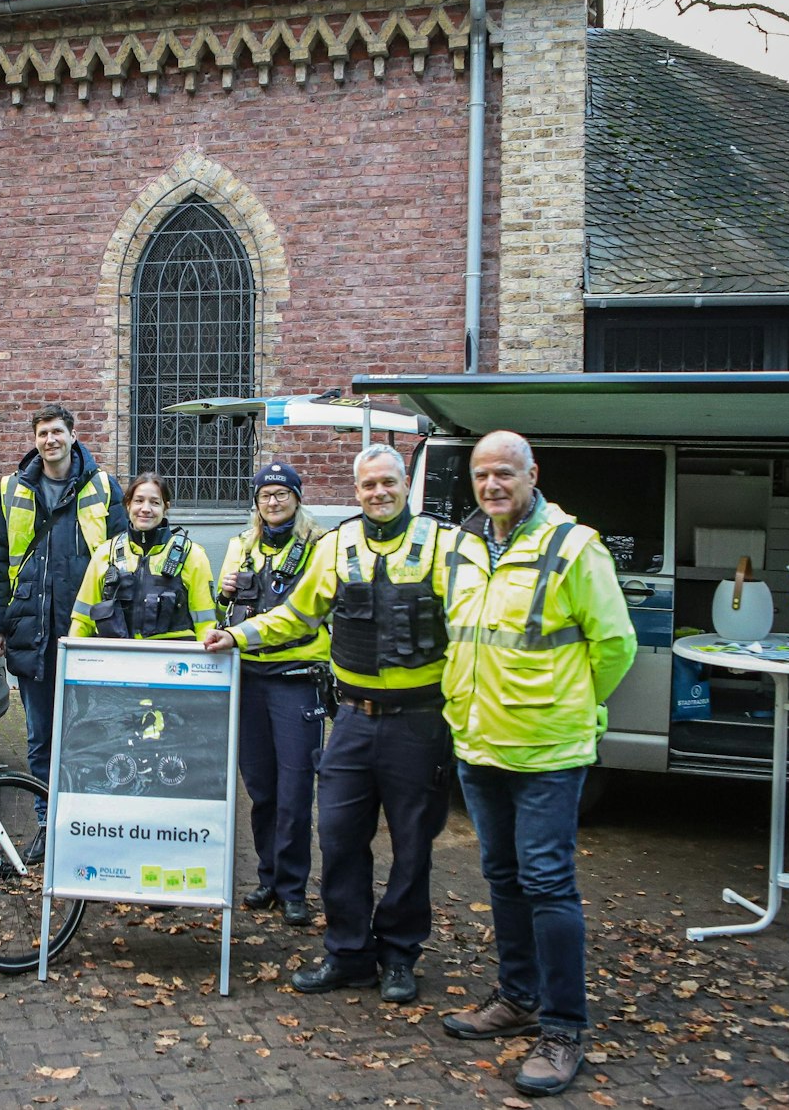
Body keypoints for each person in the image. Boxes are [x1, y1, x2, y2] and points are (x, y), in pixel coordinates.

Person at [202, 444, 455, 1005]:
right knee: (339, 837)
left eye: (388, 482)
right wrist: (237, 635)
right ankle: (348, 952)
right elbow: (296, 615)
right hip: (353, 719)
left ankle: (399, 955)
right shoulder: (338, 545)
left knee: (413, 844)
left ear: (405, 483)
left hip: (419, 721)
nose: (378, 492)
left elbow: (468, 631)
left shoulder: (443, 544)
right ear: (356, 490)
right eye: (368, 484)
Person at [436, 431, 636, 1098]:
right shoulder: (463, 546)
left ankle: (563, 1029)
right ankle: (517, 998)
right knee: (502, 875)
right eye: (481, 474)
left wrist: (579, 703)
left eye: (505, 473)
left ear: (532, 475)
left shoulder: (575, 547)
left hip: (548, 748)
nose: (492, 485)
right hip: (479, 743)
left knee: (548, 881)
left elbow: (616, 644)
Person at [0, 404, 126, 839]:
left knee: (88, 734)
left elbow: (123, 558)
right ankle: (47, 825)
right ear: (35, 440)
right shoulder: (13, 488)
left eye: (58, 431)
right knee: (41, 738)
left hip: (85, 632)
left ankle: (86, 827)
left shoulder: (102, 486)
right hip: (31, 631)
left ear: (73, 435)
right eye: (43, 433)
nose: (51, 440)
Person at [215, 462, 328, 927]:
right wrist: (222, 590)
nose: (274, 501)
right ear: (256, 502)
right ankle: (269, 877)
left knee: (295, 790)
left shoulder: (320, 547)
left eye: (282, 494)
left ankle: (293, 888)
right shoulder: (241, 545)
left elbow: (313, 611)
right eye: (265, 495)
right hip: (249, 679)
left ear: (297, 498)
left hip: (296, 679)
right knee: (261, 789)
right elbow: (225, 608)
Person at [69, 472, 217, 641]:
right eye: (138, 501)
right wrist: (72, 654)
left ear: (165, 508)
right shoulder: (105, 553)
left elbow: (205, 624)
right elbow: (83, 619)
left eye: (155, 502)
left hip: (173, 655)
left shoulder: (192, 555)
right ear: (128, 505)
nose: (145, 509)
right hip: (116, 654)